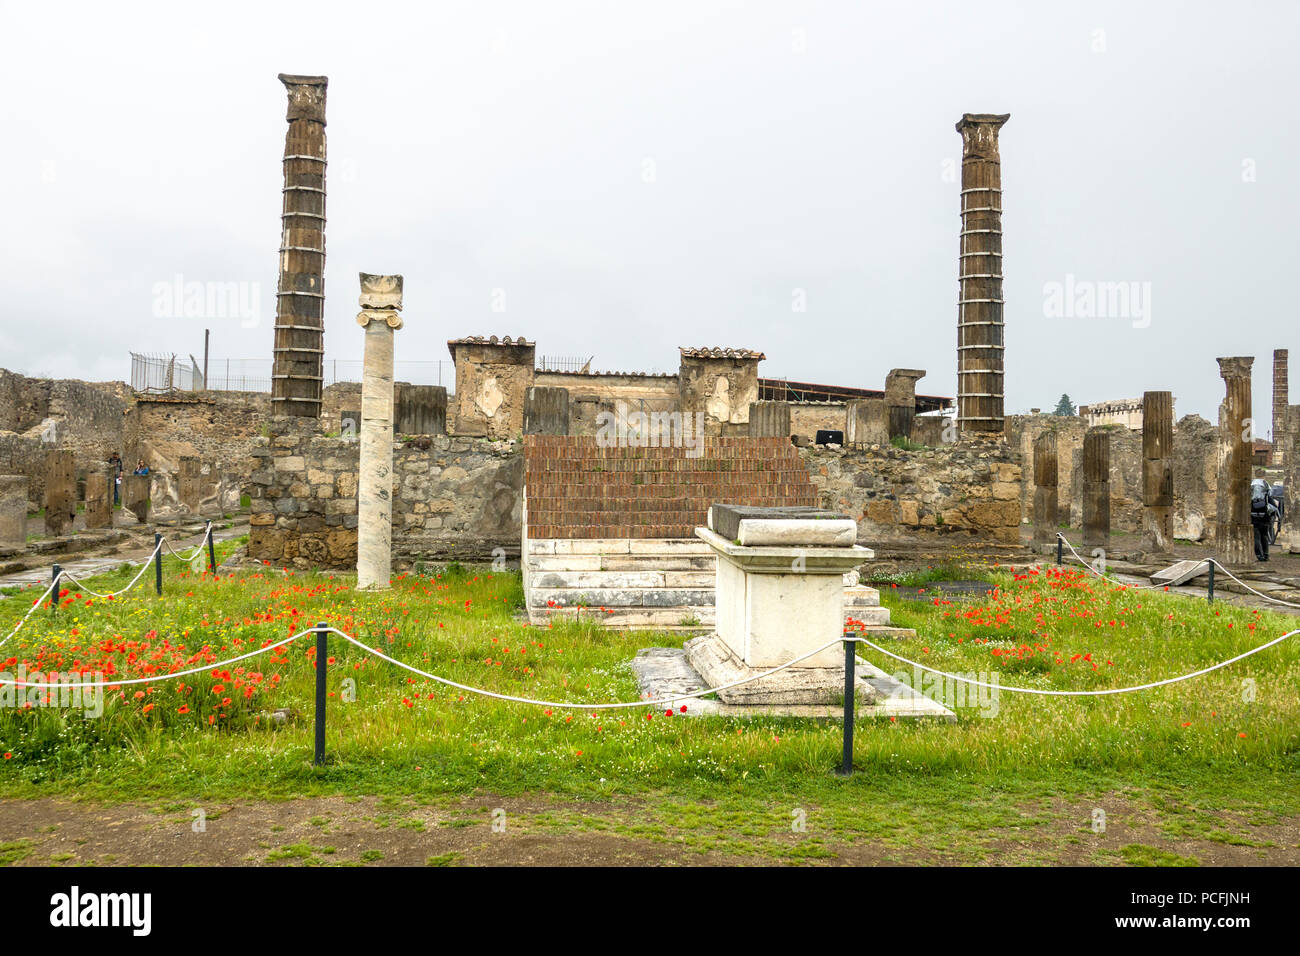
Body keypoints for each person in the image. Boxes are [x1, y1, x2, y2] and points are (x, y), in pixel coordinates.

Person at [1250, 478, 1277, 561]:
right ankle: (1265, 555)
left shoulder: (1250, 497)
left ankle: (1259, 556)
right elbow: (1274, 507)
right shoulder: (1267, 496)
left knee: (1256, 538)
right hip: (1265, 518)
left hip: (1254, 518)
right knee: (1264, 536)